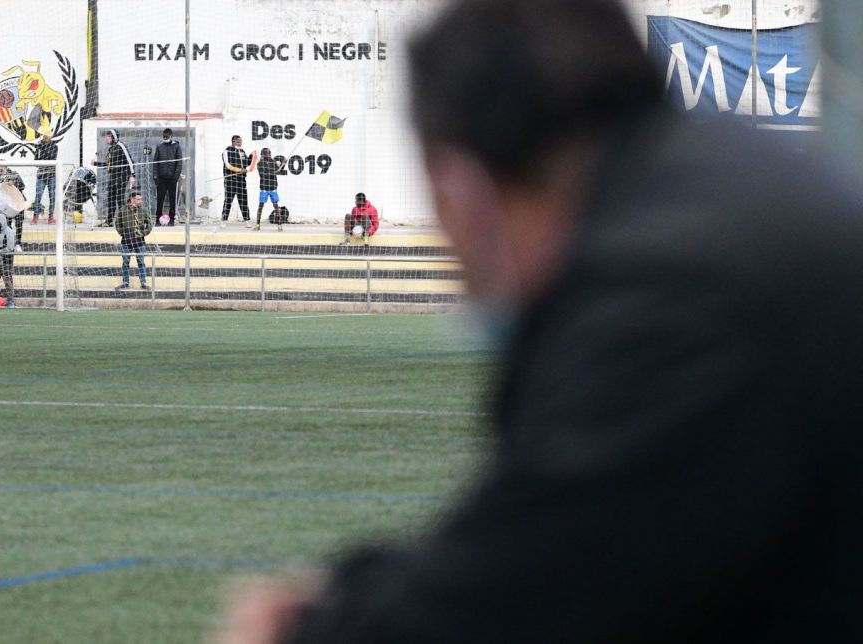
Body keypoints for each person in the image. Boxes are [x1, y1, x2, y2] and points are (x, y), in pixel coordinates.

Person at [215, 0, 863, 642]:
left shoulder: (668, 287)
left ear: (459, 192)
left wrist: (316, 626)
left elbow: (539, 567)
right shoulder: (707, 188)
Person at [95, 129, 134, 226]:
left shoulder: (121, 146)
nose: (106, 138)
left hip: (121, 177)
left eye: (108, 136)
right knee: (110, 199)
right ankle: (109, 221)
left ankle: (123, 221)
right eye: (106, 136)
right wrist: (96, 163)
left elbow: (130, 161)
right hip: (112, 177)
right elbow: (108, 164)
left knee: (120, 199)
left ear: (114, 137)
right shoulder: (111, 149)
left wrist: (132, 175)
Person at [113, 191, 151, 290]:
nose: (140, 201)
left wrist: (143, 233)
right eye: (138, 199)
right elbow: (117, 224)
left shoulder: (144, 210)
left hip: (139, 241)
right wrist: (124, 233)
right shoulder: (123, 210)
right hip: (126, 241)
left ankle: (143, 282)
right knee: (125, 262)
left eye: (140, 199)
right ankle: (125, 282)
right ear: (132, 199)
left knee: (141, 262)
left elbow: (150, 224)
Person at [152, 127, 183, 225]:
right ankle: (157, 219)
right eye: (163, 136)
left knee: (172, 199)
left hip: (172, 178)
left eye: (167, 136)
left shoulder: (177, 146)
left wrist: (176, 176)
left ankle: (172, 219)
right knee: (160, 200)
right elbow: (155, 162)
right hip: (161, 178)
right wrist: (155, 176)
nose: (165, 137)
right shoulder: (159, 146)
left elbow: (179, 163)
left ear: (171, 136)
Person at [0, 164, 28, 250]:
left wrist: (14, 183)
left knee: (19, 224)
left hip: (18, 203)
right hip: (7, 205)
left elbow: (23, 186)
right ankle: (9, 244)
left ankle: (18, 244)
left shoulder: (14, 174)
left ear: (4, 166)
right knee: (7, 224)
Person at [221, 135, 251, 226]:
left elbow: (246, 163)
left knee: (243, 200)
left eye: (241, 141)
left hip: (241, 180)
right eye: (238, 142)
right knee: (228, 200)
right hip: (231, 179)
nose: (240, 143)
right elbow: (228, 165)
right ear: (233, 142)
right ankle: (223, 220)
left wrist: (252, 157)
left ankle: (247, 220)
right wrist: (238, 170)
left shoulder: (242, 151)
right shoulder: (227, 151)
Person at [31, 132, 58, 225]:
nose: (46, 137)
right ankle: (35, 217)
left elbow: (51, 157)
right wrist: (39, 148)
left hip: (51, 175)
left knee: (52, 197)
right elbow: (36, 161)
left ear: (51, 136)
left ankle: (51, 217)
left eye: (48, 135)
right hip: (41, 175)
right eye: (45, 135)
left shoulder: (54, 146)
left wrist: (41, 148)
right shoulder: (38, 146)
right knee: (38, 196)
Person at [254, 148, 283, 231]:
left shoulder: (273, 162)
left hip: (273, 187)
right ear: (263, 155)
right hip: (264, 188)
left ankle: (279, 224)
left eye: (270, 153)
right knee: (260, 206)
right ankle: (257, 224)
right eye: (267, 153)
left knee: (276, 206)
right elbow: (263, 175)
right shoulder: (260, 164)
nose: (269, 155)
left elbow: (279, 171)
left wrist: (282, 164)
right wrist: (274, 172)